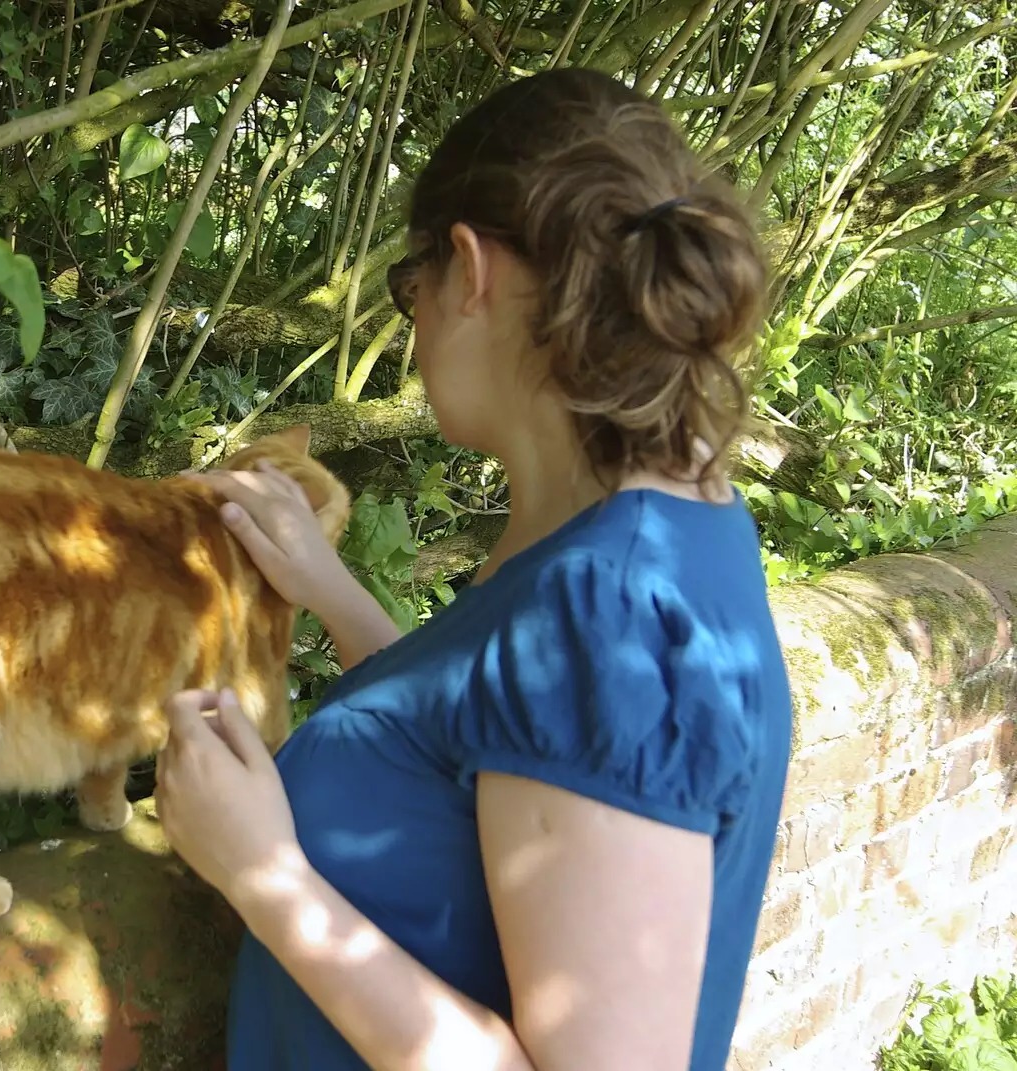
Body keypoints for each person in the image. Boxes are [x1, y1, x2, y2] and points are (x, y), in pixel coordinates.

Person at [155, 67, 794, 1071]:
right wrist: (332, 594)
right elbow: (491, 750)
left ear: (467, 269)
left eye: (411, 290)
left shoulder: (608, 607)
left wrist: (264, 876)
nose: (413, 325)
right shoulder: (663, 526)